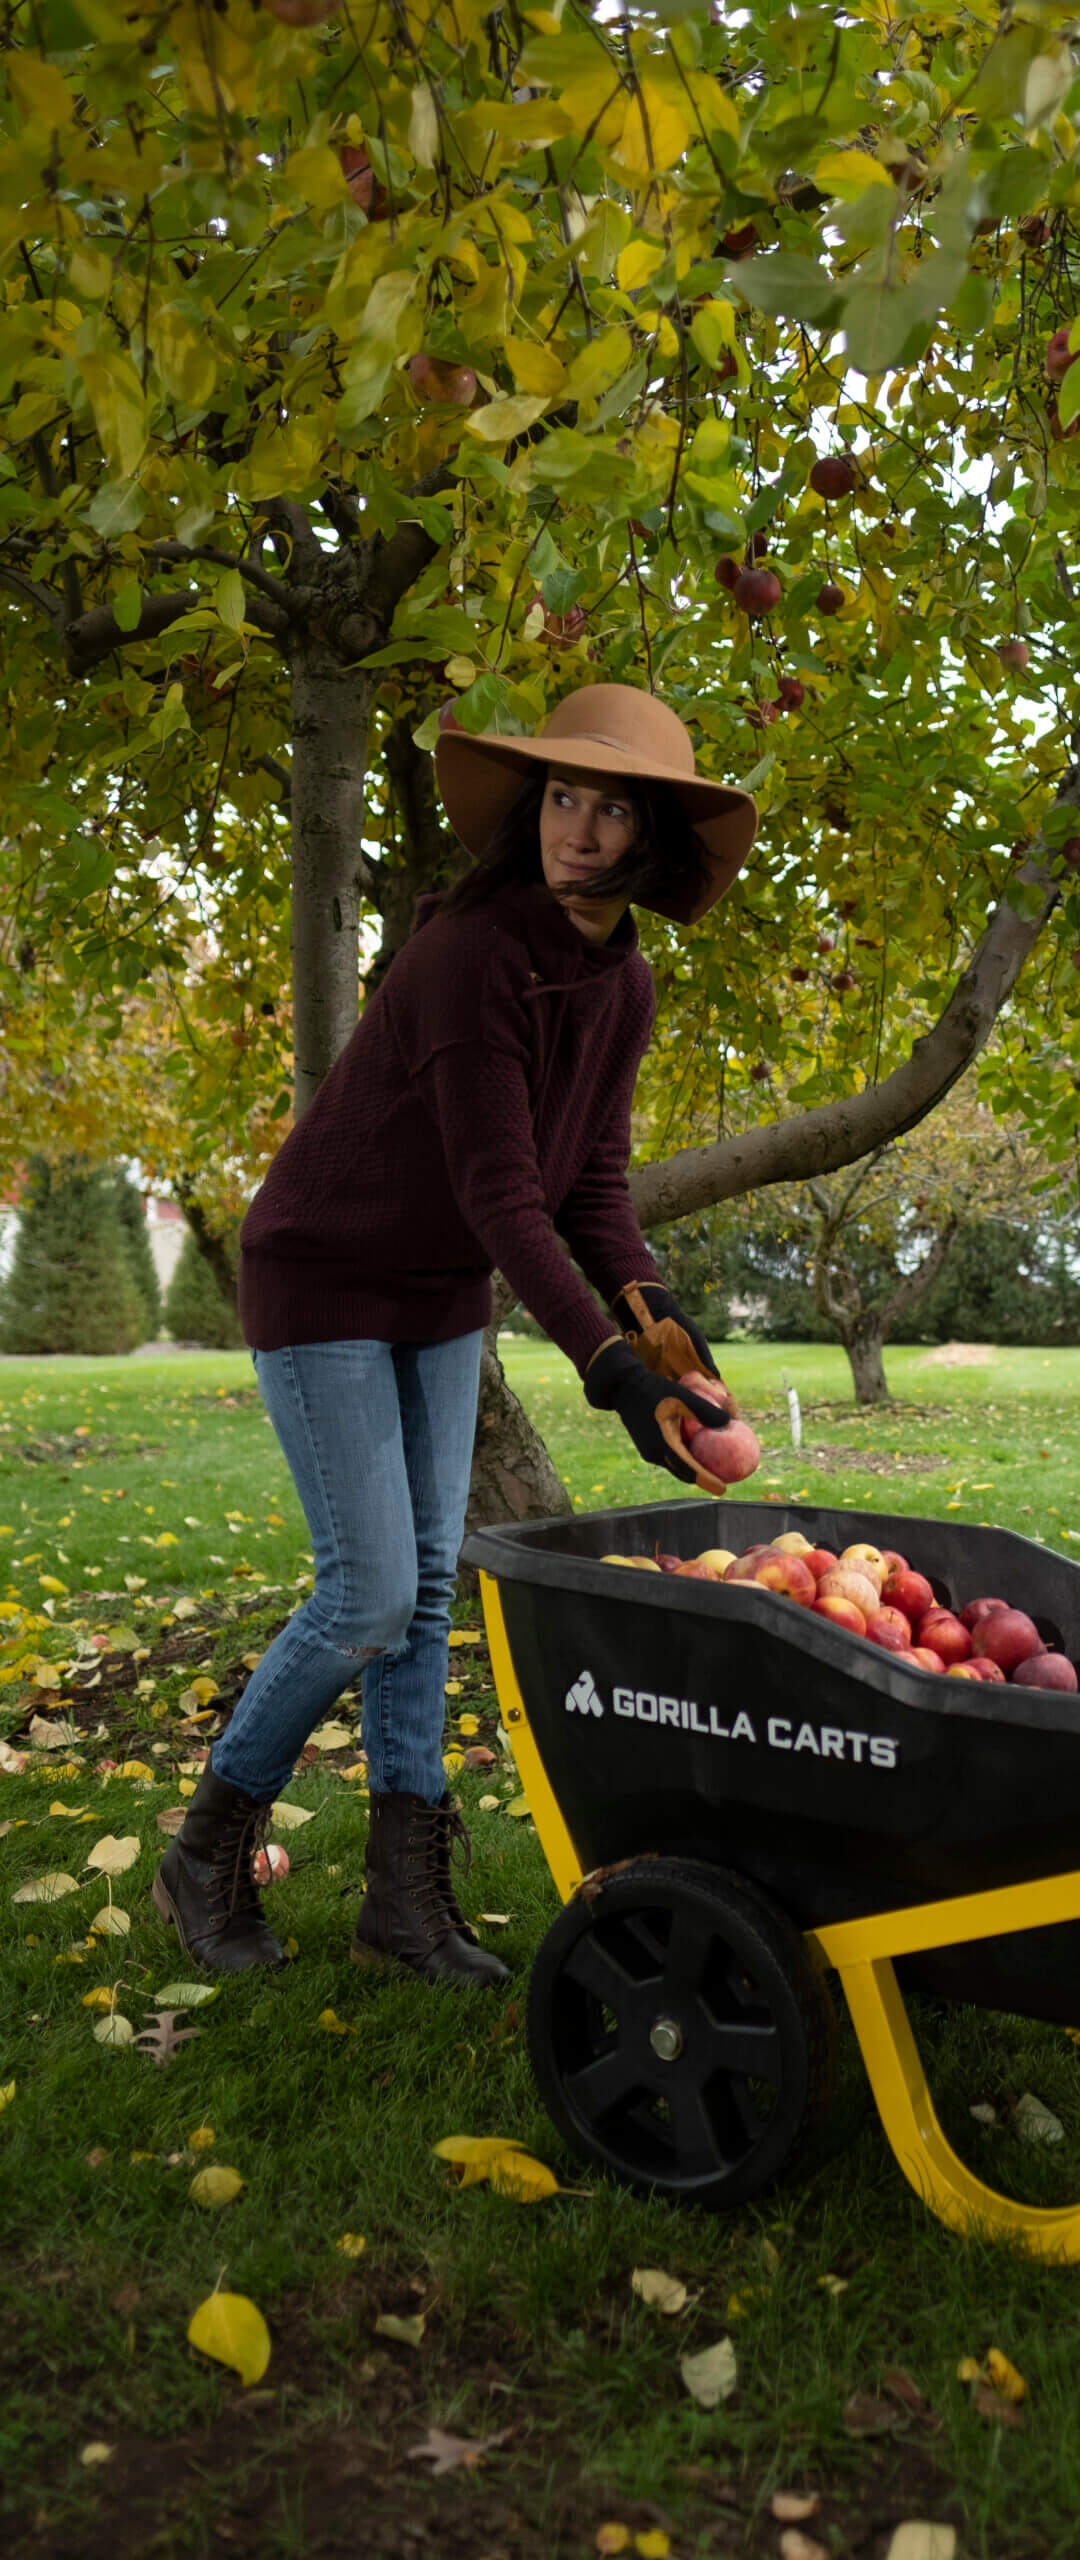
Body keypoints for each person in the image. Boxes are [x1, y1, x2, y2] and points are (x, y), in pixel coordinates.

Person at [151, 684, 756, 1987]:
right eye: (563, 798)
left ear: (648, 838)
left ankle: (402, 1907)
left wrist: (659, 1333)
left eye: (609, 807)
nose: (578, 828)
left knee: (426, 1593)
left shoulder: (621, 981)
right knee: (367, 1590)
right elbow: (500, 1192)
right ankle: (208, 1847)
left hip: (433, 1298)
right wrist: (607, 1379)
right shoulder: (465, 960)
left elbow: (588, 1181)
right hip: (324, 1277)